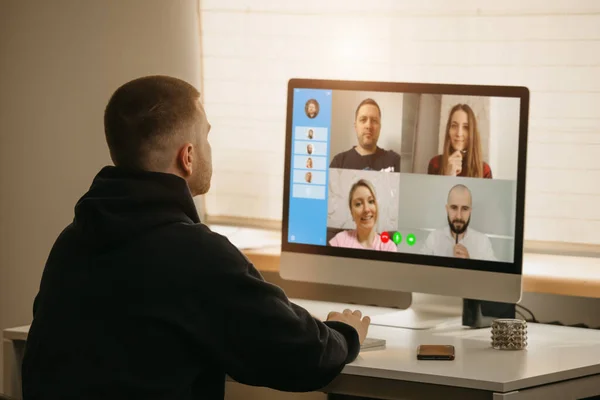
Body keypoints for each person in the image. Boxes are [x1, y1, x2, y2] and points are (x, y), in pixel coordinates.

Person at [21, 75, 371, 400]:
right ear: (187, 156)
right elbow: (301, 353)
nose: (209, 147)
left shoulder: (72, 240)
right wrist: (344, 332)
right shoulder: (194, 254)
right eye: (206, 136)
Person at [419, 184, 496, 261]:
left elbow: (494, 272)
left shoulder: (483, 242)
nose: (459, 216)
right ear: (447, 209)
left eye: (465, 209)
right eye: (454, 208)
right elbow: (419, 269)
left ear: (470, 211)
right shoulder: (434, 238)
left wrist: (470, 264)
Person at [329, 98, 400, 172]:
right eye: (363, 120)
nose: (368, 126)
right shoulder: (339, 163)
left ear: (380, 127)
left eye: (374, 120)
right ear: (355, 126)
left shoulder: (394, 161)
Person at [427, 103, 493, 178]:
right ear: (448, 130)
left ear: (472, 132)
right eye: (454, 126)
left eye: (465, 127)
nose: (459, 133)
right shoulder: (435, 164)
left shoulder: (484, 170)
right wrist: (448, 176)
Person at [329, 179, 397, 252]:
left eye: (371, 201)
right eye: (358, 204)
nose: (366, 209)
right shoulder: (340, 241)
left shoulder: (388, 247)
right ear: (351, 212)